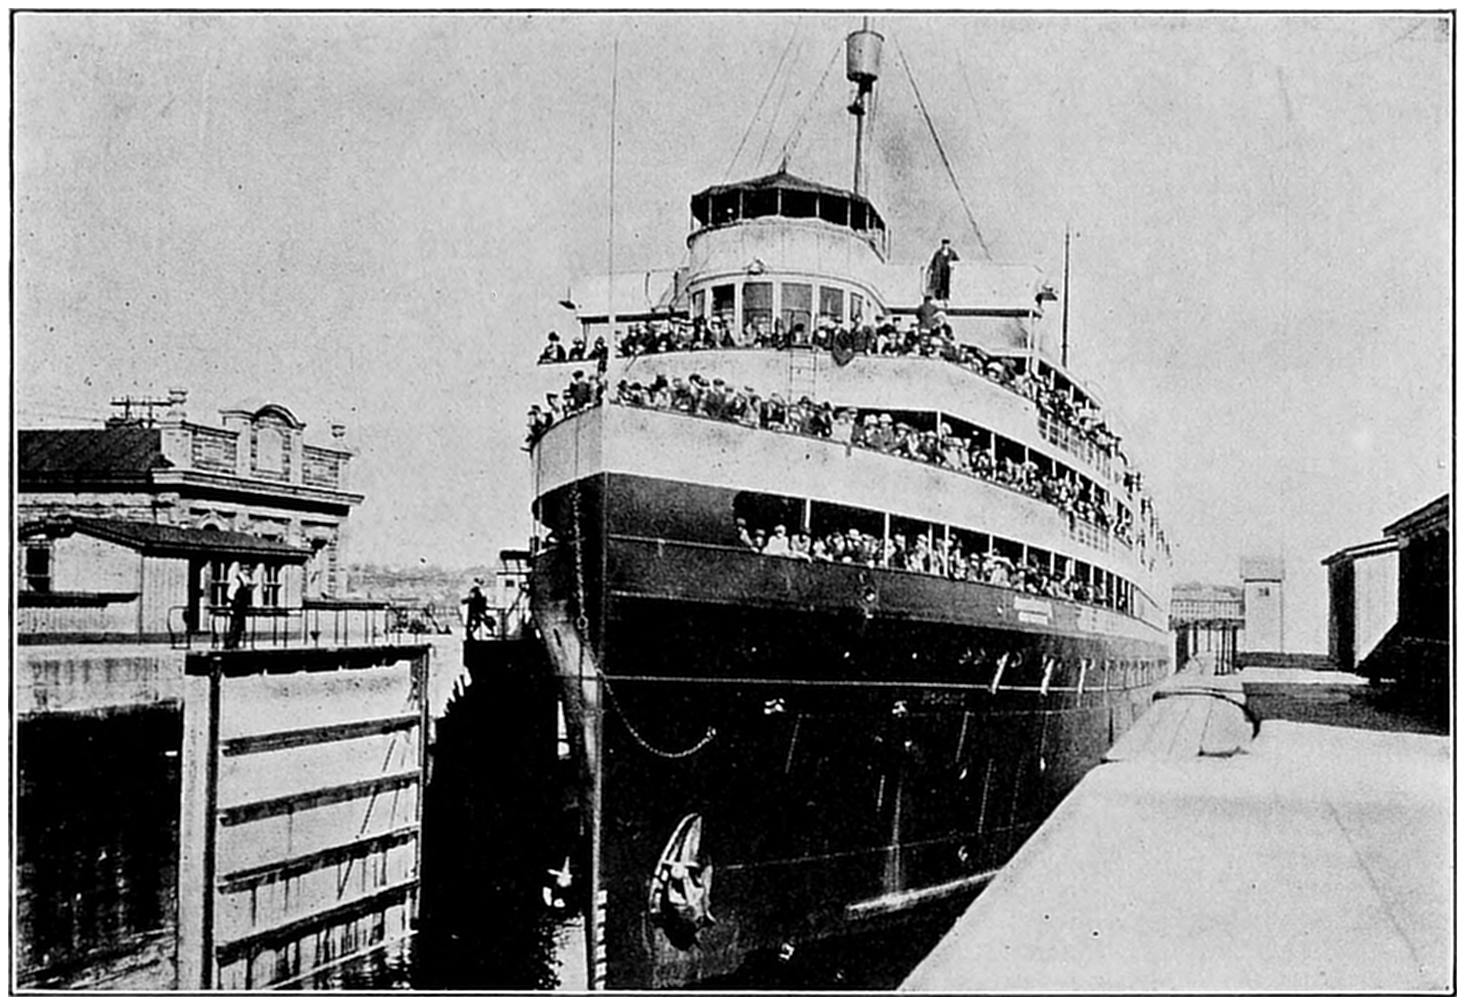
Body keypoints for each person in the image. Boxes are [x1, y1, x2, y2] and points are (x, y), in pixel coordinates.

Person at [224, 561, 254, 649]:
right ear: (242, 570)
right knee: (235, 625)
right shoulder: (237, 580)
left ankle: (235, 643)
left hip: (242, 606)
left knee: (240, 625)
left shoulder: (245, 579)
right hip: (236, 606)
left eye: (248, 569)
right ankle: (230, 644)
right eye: (246, 569)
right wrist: (231, 605)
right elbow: (230, 593)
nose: (247, 571)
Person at [927, 238, 960, 302]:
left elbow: (957, 261)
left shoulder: (952, 253)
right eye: (944, 244)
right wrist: (931, 269)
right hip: (939, 271)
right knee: (938, 284)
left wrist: (952, 264)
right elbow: (933, 262)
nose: (945, 245)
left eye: (946, 244)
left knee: (947, 284)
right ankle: (939, 297)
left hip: (948, 271)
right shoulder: (938, 253)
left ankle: (946, 297)